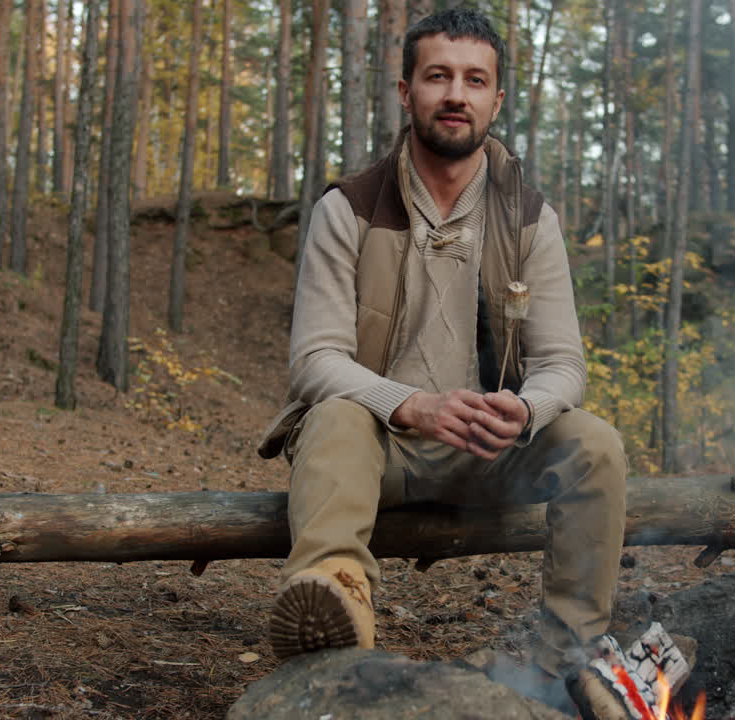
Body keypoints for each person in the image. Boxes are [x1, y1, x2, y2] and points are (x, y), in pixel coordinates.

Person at [257, 4, 627, 693]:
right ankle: (334, 600)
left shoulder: (528, 217)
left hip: (491, 450)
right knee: (334, 412)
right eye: (437, 76)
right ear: (407, 93)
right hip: (376, 450)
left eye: (474, 80)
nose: (456, 94)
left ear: (496, 99)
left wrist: (526, 410)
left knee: (596, 443)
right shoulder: (350, 209)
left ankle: (567, 658)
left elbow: (563, 366)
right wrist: (413, 407)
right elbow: (314, 361)